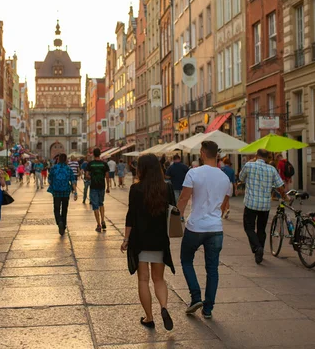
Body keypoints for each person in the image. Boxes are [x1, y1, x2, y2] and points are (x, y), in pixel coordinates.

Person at [176, 141, 232, 319]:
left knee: (186, 260)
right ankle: (208, 309)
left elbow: (184, 198)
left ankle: (195, 297)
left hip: (195, 226)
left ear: (201, 153)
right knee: (212, 268)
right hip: (216, 228)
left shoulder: (193, 172)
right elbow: (223, 206)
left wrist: (177, 217)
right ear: (217, 154)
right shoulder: (225, 178)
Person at [121, 154, 176, 331]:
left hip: (140, 239)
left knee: (143, 280)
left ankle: (149, 317)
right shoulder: (167, 188)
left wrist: (126, 239)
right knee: (159, 279)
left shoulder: (135, 189)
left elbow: (130, 216)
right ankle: (164, 307)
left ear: (141, 169)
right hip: (159, 239)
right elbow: (173, 213)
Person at [238, 149, 287, 264]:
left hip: (251, 204)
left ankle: (257, 248)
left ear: (256, 156)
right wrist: (285, 197)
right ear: (268, 157)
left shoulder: (249, 165)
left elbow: (241, 178)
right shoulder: (271, 169)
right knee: (261, 229)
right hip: (264, 205)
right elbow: (280, 185)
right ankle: (259, 252)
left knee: (249, 228)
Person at [48, 153, 77, 236]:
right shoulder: (68, 169)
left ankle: (59, 222)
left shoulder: (54, 168)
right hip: (65, 191)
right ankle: (63, 226)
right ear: (66, 160)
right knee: (64, 209)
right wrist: (75, 192)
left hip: (56, 192)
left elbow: (50, 180)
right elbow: (73, 181)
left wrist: (53, 184)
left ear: (58, 159)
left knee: (56, 208)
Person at [86, 148, 111, 232]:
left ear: (93, 154)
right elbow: (107, 176)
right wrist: (108, 187)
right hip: (102, 186)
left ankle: (99, 225)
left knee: (95, 206)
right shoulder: (104, 164)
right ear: (100, 154)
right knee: (101, 203)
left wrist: (91, 177)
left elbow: (87, 175)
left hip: (93, 187)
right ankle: (103, 220)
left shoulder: (90, 164)